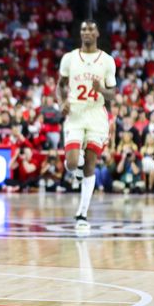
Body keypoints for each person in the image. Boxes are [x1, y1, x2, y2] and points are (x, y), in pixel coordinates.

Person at [58, 20, 117, 232]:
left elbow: (113, 93)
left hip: (96, 115)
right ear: (80, 33)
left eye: (91, 28)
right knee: (73, 163)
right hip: (75, 114)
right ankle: (78, 169)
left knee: (90, 163)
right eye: (83, 29)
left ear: (98, 32)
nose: (87, 32)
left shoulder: (107, 61)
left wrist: (101, 88)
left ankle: (82, 214)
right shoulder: (69, 58)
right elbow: (60, 86)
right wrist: (61, 102)